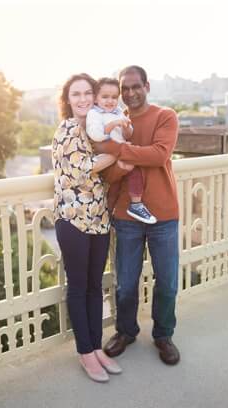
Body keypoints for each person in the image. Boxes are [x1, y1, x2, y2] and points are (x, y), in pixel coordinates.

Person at [93, 65, 182, 366]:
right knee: (126, 283)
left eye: (135, 86)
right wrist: (119, 158)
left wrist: (120, 150)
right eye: (124, 88)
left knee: (168, 282)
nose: (130, 93)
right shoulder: (114, 122)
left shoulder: (165, 116)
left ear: (146, 85)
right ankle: (126, 332)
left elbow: (160, 155)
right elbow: (110, 173)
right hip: (127, 216)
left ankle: (163, 335)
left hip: (164, 215)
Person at [51, 72, 123, 383]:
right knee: (79, 287)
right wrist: (119, 153)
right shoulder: (66, 131)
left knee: (96, 286)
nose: (82, 99)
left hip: (99, 218)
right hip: (73, 219)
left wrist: (114, 150)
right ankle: (85, 353)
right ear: (68, 101)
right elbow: (84, 170)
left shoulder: (95, 129)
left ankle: (97, 347)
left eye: (87, 93)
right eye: (76, 94)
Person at [85, 77, 157, 225]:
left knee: (132, 173)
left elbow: (128, 135)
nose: (110, 101)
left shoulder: (118, 112)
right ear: (96, 99)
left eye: (114, 97)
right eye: (105, 97)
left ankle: (135, 204)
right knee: (114, 184)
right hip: (105, 156)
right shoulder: (94, 114)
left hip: (121, 153)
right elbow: (96, 135)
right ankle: (108, 212)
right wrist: (113, 124)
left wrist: (126, 127)